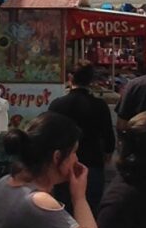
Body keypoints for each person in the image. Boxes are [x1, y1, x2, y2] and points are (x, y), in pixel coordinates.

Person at [47, 61, 117, 218]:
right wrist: (107, 155)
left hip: (63, 167)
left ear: (70, 78)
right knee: (89, 214)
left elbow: (49, 136)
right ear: (91, 80)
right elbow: (109, 139)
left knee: (63, 215)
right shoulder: (99, 106)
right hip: (92, 165)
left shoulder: (58, 105)